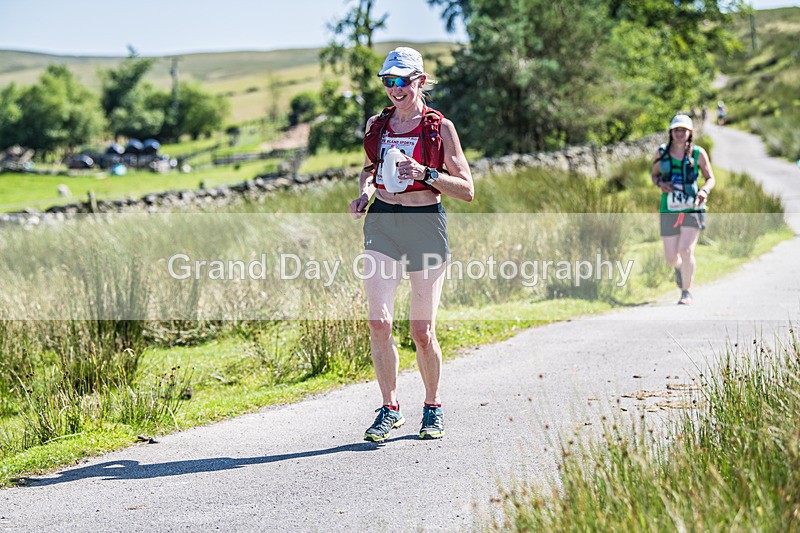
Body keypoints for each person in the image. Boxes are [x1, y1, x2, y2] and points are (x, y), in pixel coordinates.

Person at [349, 47, 474, 442]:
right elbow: (370, 170)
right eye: (389, 81)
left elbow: (467, 189)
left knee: (422, 330)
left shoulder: (440, 128)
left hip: (425, 223)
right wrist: (365, 193)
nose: (395, 88)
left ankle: (432, 405)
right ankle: (389, 408)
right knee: (378, 321)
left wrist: (424, 173)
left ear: (420, 80)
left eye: (402, 80)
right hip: (383, 221)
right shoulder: (377, 125)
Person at [651, 114, 716, 305]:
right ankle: (679, 269)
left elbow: (710, 178)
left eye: (684, 130)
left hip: (692, 208)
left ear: (690, 133)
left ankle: (686, 292)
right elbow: (654, 175)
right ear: (671, 132)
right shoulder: (661, 152)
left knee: (686, 250)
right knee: (671, 258)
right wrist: (660, 184)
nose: (680, 133)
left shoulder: (698, 153)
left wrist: (704, 191)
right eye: (676, 130)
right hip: (669, 209)